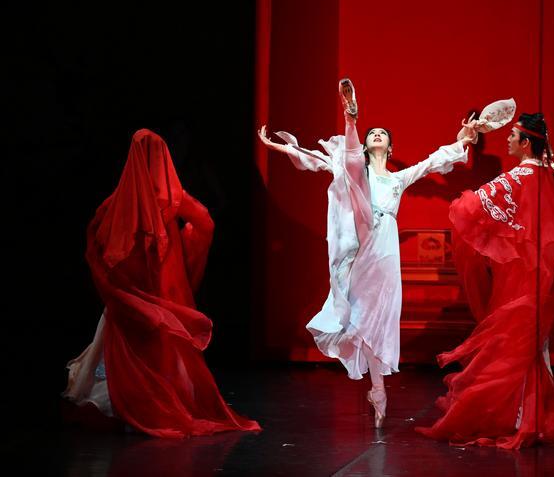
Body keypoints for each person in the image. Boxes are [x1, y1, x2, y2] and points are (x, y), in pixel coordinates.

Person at [258, 78, 515, 427]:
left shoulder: (397, 179)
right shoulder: (355, 169)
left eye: (382, 134)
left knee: (375, 318)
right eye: (372, 133)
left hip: (383, 246)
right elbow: (317, 160)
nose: (377, 135)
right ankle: (350, 118)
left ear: (390, 149)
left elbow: (432, 162)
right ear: (367, 145)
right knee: (350, 171)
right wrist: (281, 147)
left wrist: (463, 140)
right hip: (358, 234)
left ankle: (378, 389)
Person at [416, 112, 554, 449]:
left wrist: (465, 206)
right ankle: (536, 417)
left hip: (522, 279)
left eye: (512, 136)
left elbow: (472, 207)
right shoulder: (544, 175)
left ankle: (522, 419)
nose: (507, 140)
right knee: (534, 345)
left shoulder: (521, 175)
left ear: (525, 143)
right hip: (541, 274)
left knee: (515, 346)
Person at [63, 128, 260, 438]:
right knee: (162, 343)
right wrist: (185, 245)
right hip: (162, 286)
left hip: (131, 287)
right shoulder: (172, 196)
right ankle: (153, 405)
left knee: (127, 341)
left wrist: (113, 269)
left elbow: (97, 232)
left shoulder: (121, 198)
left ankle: (123, 405)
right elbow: (205, 222)